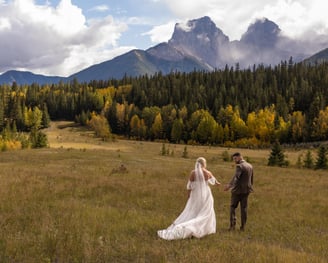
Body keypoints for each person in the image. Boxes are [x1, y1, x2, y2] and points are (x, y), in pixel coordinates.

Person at [157, 157, 221, 240]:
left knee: (193, 209)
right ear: (204, 164)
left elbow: (189, 186)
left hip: (196, 194)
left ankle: (188, 225)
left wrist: (189, 195)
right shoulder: (208, 172)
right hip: (206, 194)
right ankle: (204, 228)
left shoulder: (193, 173)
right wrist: (218, 183)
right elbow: (215, 182)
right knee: (206, 211)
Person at [224, 152, 253, 231]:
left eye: (235, 158)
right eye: (234, 159)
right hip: (246, 191)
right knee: (244, 209)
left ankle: (232, 226)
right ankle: (243, 227)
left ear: (240, 157)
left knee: (233, 207)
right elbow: (251, 179)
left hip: (237, 191)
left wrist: (229, 186)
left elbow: (236, 178)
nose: (234, 160)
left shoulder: (239, 166)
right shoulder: (250, 165)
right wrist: (250, 188)